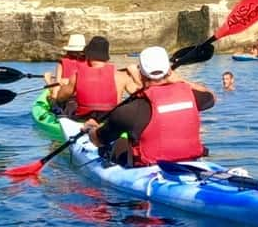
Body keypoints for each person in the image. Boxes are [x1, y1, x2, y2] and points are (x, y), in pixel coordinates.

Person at [83, 46, 216, 168]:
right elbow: (211, 96)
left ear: (141, 74)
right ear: (169, 71)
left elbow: (98, 140)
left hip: (152, 169)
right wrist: (179, 79)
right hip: (192, 163)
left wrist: (90, 129)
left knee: (120, 141)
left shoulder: (129, 110)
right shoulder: (192, 96)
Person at [54, 36, 138, 121]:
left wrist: (64, 86)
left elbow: (60, 97)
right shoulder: (121, 76)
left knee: (63, 105)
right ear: (106, 57)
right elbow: (141, 94)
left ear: (89, 55)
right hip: (109, 120)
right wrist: (134, 73)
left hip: (83, 119)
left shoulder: (76, 76)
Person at [44, 34, 86, 107]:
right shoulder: (88, 61)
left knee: (53, 94)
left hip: (67, 98)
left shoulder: (62, 63)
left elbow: (56, 87)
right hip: (83, 98)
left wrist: (48, 80)